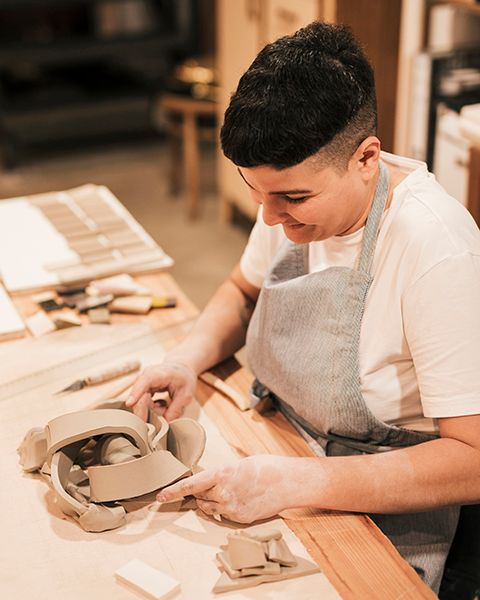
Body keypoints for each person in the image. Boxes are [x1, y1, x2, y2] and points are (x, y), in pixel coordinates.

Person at [127, 22, 480, 596]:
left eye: (292, 199)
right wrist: (186, 358)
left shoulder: (436, 248)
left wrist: (300, 480)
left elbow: (473, 460)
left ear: (366, 158)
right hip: (282, 449)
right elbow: (242, 293)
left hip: (380, 511)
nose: (270, 219)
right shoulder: (288, 203)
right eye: (255, 192)